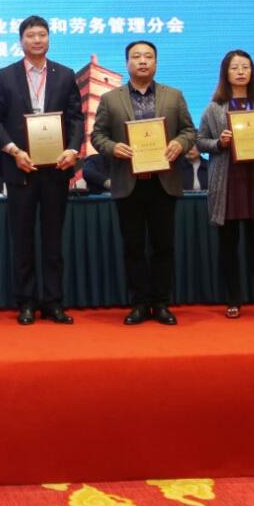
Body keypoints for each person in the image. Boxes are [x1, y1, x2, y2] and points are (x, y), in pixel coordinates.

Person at [0, 15, 83, 325]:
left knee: (53, 240)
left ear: (49, 39)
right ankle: (26, 302)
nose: (37, 40)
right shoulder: (5, 76)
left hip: (56, 169)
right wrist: (13, 150)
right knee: (23, 239)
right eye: (31, 35)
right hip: (20, 168)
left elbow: (76, 119)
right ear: (21, 41)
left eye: (42, 34)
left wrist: (72, 149)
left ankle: (53, 302)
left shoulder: (65, 75)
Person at [90, 40, 196, 325]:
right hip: (128, 182)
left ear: (156, 63)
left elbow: (189, 131)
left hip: (164, 181)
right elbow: (97, 136)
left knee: (164, 246)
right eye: (136, 56)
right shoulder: (110, 99)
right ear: (127, 63)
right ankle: (138, 303)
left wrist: (180, 143)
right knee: (133, 247)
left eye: (148, 56)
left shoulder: (174, 96)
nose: (142, 61)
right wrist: (113, 147)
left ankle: (161, 303)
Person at [196, 50, 254, 320]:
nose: (241, 72)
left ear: (252, 72)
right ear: (225, 73)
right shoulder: (214, 108)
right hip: (227, 182)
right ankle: (233, 300)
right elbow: (200, 141)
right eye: (235, 68)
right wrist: (219, 142)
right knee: (228, 245)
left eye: (245, 67)